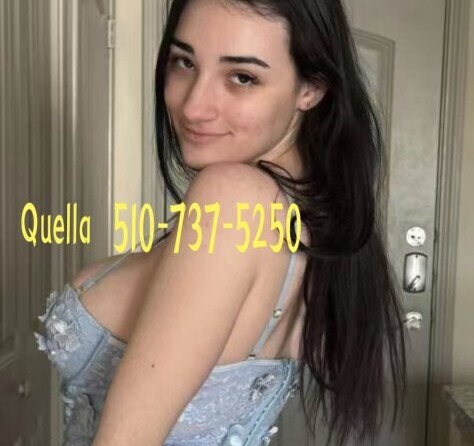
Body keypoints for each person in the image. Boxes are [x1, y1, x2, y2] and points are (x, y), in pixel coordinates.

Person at [34, 0, 407, 445]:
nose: (194, 106)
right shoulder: (303, 215)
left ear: (311, 87)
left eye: (242, 77)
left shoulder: (234, 198)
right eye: (185, 62)